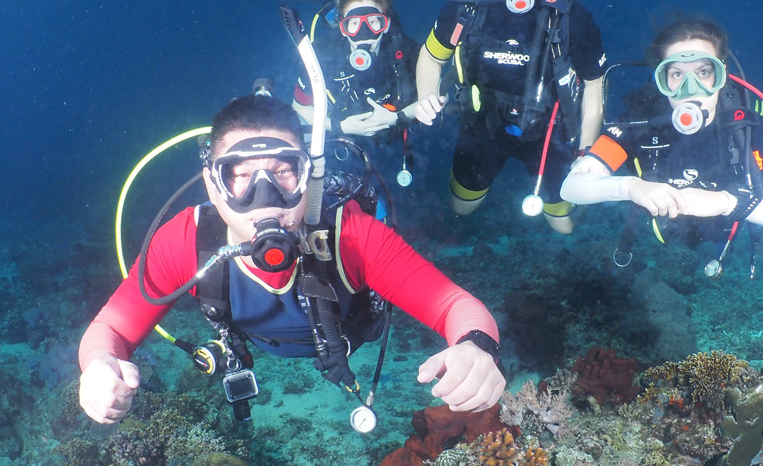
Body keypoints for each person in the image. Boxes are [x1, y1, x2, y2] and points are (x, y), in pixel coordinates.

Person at [78, 94, 505, 425]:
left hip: (353, 335)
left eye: (284, 171)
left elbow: (454, 305)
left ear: (310, 178)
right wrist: (99, 365)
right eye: (240, 176)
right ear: (213, 185)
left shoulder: (351, 236)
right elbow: (111, 327)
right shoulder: (185, 243)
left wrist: (476, 346)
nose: (264, 198)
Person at [414, 0, 607, 235]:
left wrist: (586, 152)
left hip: (550, 135)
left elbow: (594, 84)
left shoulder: (573, 18)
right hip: (483, 127)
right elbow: (432, 57)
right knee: (461, 207)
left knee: (563, 227)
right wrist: (426, 94)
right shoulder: (465, 8)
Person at [561, 16, 763, 267]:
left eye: (703, 72)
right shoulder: (639, 123)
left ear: (721, 75)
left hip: (727, 230)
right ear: (663, 80)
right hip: (661, 239)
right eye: (677, 74)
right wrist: (630, 187)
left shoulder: (747, 126)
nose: (691, 89)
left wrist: (724, 202)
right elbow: (571, 188)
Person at [292, 0, 419, 140]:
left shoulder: (406, 50)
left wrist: (396, 118)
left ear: (386, 24)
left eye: (374, 21)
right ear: (342, 28)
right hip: (342, 135)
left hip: (398, 131)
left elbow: (434, 96)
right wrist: (340, 127)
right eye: (353, 23)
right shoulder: (322, 55)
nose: (364, 34)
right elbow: (299, 107)